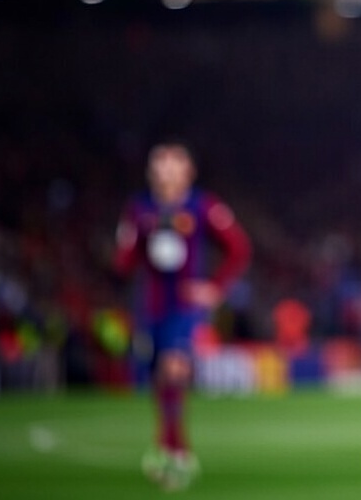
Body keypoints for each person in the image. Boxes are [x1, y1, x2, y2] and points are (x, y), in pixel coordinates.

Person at [115, 140, 251, 491]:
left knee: (174, 366)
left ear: (188, 171)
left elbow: (239, 248)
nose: (167, 170)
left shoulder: (203, 206)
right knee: (161, 379)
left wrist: (215, 288)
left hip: (186, 306)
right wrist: (128, 245)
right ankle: (172, 443)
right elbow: (124, 261)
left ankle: (174, 452)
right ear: (151, 171)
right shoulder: (139, 209)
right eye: (160, 162)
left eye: (174, 162)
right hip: (151, 307)